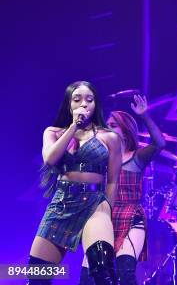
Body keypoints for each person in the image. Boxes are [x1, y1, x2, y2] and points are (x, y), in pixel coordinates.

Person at [28, 81, 122, 284]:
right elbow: (50, 159)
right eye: (77, 99)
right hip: (62, 203)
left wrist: (107, 209)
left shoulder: (110, 137)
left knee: (103, 273)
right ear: (69, 104)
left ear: (96, 104)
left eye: (90, 99)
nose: (84, 104)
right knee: (36, 276)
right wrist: (73, 127)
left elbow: (113, 180)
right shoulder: (53, 132)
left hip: (95, 204)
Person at [79, 95, 166, 284]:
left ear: (125, 131)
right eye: (107, 124)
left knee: (125, 273)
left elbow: (159, 143)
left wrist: (145, 116)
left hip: (130, 217)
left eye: (113, 124)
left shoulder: (137, 156)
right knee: (87, 278)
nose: (108, 127)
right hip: (103, 219)